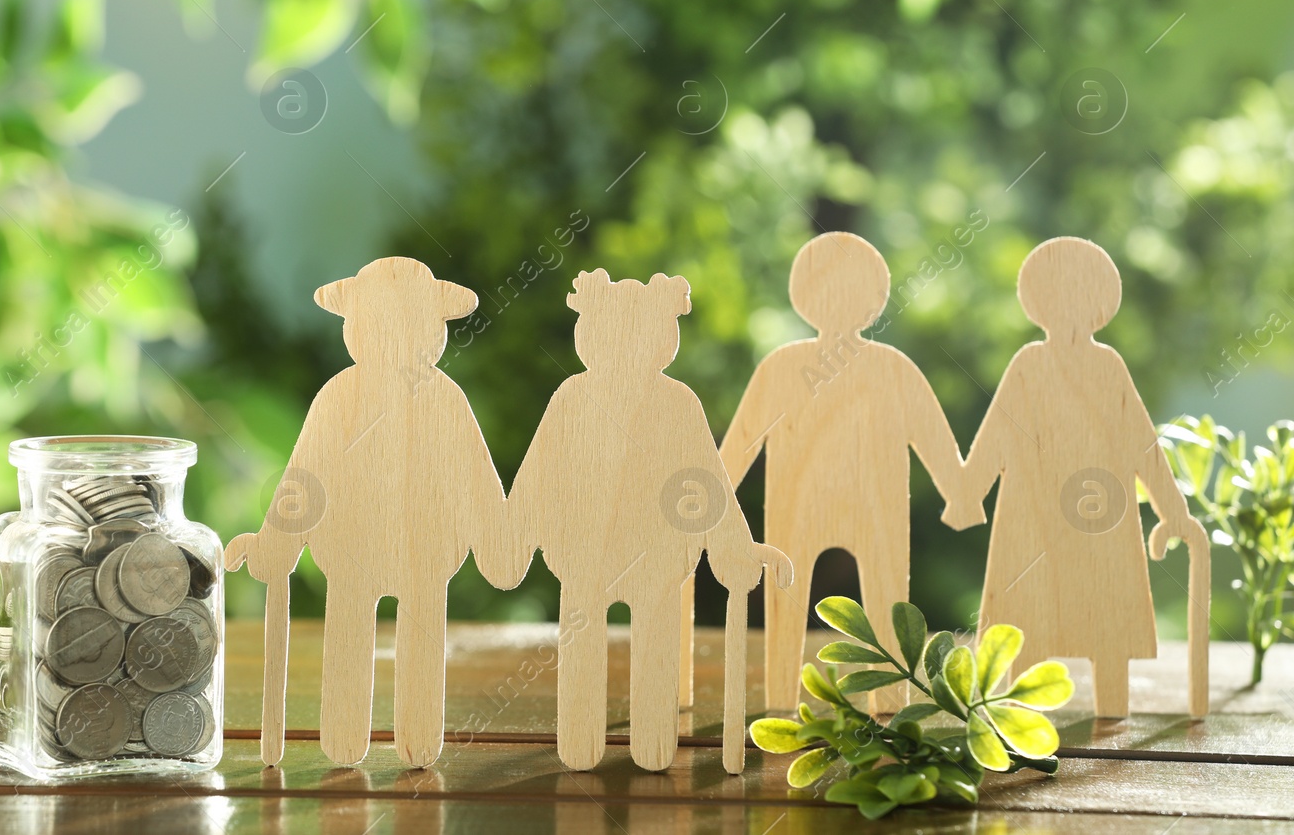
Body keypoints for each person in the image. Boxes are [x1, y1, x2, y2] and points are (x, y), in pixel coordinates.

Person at [495, 269, 787, 771]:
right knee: (583, 646)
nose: (624, 349)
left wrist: (735, 546)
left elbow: (705, 485)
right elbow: (538, 473)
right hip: (583, 555)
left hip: (657, 557)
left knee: (655, 648)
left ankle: (653, 743)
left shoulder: (678, 404)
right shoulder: (571, 398)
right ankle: (581, 742)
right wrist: (513, 538)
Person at [226, 257, 513, 766]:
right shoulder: (339, 398)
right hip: (351, 553)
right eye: (379, 322)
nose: (394, 336)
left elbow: (474, 477)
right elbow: (304, 480)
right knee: (349, 641)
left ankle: (418, 740)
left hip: (425, 555)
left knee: (420, 644)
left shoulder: (445, 400)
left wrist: (497, 543)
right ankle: (343, 738)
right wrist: (273, 544)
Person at [946, 237, 1207, 717]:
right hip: (1038, 515)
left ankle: (1108, 706)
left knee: (1104, 617)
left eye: (1077, 298)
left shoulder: (1107, 367)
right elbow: (997, 435)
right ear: (1038, 305)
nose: (1067, 311)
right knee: (1027, 620)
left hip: (1098, 517)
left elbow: (1141, 445)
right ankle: (1019, 710)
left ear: (1099, 307)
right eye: (1056, 298)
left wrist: (1174, 512)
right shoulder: (1029, 365)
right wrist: (966, 492)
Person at [715, 232, 964, 713]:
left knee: (886, 598)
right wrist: (959, 492)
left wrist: (959, 490)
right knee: (791, 599)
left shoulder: (877, 368)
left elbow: (933, 436)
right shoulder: (792, 368)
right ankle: (788, 695)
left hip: (865, 507)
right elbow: (740, 444)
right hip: (804, 506)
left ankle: (884, 697)